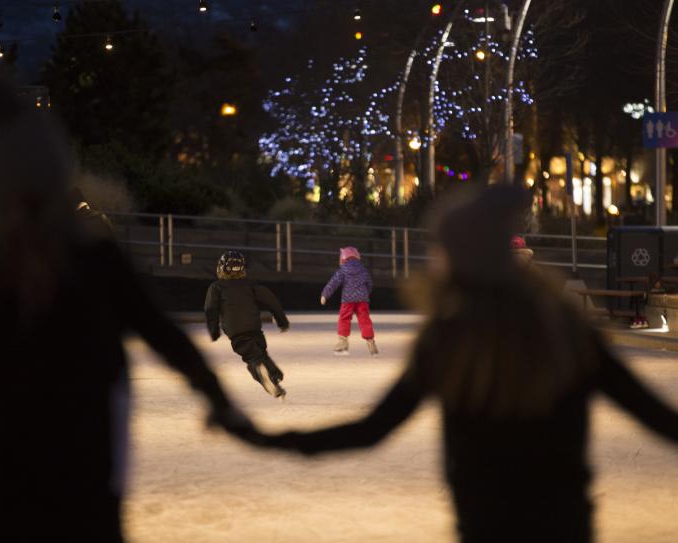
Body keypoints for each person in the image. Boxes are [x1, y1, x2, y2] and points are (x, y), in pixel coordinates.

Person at [0, 76, 252, 543]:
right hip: (84, 480)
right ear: (59, 173)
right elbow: (167, 337)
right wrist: (220, 401)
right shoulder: (95, 259)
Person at [261, 186, 678, 543]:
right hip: (563, 524)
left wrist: (271, 439)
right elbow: (654, 414)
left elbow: (373, 429)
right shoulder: (566, 332)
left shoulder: (449, 340)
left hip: (484, 525)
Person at [204, 250, 289, 398]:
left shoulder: (217, 287)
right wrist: (281, 321)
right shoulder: (251, 285)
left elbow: (211, 310)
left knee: (253, 359)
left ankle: (263, 373)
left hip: (237, 332)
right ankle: (274, 377)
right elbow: (272, 301)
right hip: (255, 329)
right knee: (260, 353)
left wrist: (213, 330)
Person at [320, 246, 377, 356]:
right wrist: (365, 294)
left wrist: (325, 294)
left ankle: (343, 344)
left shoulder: (343, 269)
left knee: (344, 318)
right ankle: (371, 343)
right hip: (363, 299)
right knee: (365, 319)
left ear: (343, 258)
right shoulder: (363, 269)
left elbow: (334, 283)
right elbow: (370, 283)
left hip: (348, 299)